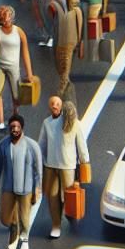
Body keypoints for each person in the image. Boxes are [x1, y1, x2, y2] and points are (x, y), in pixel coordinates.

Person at [38, 96, 89, 238]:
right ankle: (56, 225)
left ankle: (72, 218)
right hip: (50, 165)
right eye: (52, 103)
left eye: (57, 104)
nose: (54, 106)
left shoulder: (74, 123)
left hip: (68, 166)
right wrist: (40, 159)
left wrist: (85, 162)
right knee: (52, 196)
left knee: (69, 196)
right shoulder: (46, 123)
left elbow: (81, 144)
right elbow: (41, 143)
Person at [0, 113, 42, 249]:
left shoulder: (32, 146)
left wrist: (37, 188)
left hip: (26, 188)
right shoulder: (3, 145)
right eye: (12, 126)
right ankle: (14, 226)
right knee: (5, 217)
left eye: (17, 126)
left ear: (22, 128)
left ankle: (24, 239)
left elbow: (38, 170)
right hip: (8, 186)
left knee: (25, 216)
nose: (14, 129)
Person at [0, 4, 32, 129]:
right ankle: (1, 121)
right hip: (0, 66)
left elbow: (25, 52)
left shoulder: (19, 32)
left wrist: (29, 72)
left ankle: (15, 113)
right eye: (3, 18)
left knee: (16, 94)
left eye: (8, 17)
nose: (7, 20)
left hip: (14, 66)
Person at [42, 0, 84, 97]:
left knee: (64, 72)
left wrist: (80, 42)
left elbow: (79, 18)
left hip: (66, 42)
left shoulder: (69, 1)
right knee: (61, 70)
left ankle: (62, 97)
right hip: (59, 39)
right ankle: (67, 95)